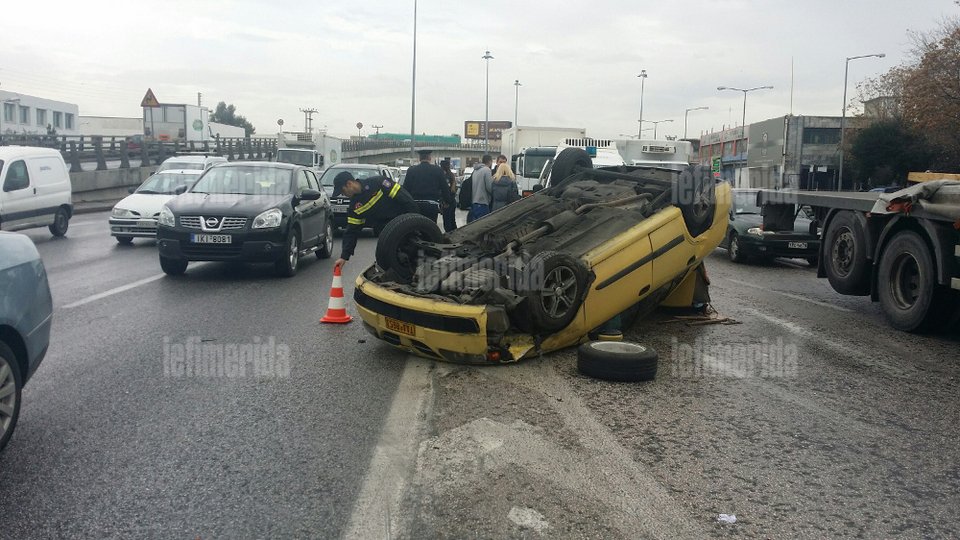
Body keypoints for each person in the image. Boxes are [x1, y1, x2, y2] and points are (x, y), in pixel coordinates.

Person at [333, 171, 418, 271]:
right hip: (387, 234)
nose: (343, 195)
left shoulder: (378, 182)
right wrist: (344, 257)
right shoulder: (354, 207)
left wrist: (416, 221)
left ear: (349, 184)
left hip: (404, 223)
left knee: (416, 252)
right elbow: (351, 231)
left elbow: (405, 199)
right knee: (393, 262)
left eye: (343, 191)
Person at [402, 149, 453, 225]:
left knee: (416, 227)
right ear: (429, 157)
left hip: (415, 205)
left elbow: (405, 189)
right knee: (430, 228)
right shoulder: (437, 170)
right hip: (431, 206)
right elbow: (444, 188)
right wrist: (447, 201)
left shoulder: (411, 170)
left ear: (420, 158)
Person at [468, 154, 494, 222]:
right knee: (483, 225)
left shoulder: (475, 171)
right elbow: (489, 187)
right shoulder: (487, 170)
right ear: (490, 161)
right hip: (483, 202)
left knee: (476, 225)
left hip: (475, 202)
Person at [439, 159, 458, 232]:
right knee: (452, 220)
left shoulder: (444, 177)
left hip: (446, 202)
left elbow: (444, 190)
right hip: (453, 201)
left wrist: (444, 201)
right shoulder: (452, 175)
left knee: (447, 222)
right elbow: (454, 190)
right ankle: (455, 234)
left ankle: (449, 237)